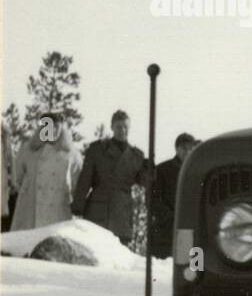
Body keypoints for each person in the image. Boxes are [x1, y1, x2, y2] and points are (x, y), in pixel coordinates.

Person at [74, 110, 146, 245]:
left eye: (126, 127)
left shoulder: (136, 156)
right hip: (98, 210)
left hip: (122, 213)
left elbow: (144, 182)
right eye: (119, 127)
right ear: (112, 127)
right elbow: (85, 180)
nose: (122, 131)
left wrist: (149, 170)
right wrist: (78, 206)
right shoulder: (97, 150)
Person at [11, 112, 82, 232]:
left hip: (58, 208)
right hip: (30, 208)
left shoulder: (72, 153)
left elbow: (77, 184)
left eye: (55, 127)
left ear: (61, 128)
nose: (51, 130)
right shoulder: (28, 149)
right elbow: (17, 177)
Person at [149, 132, 198, 259]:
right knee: (165, 271)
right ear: (176, 149)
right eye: (184, 148)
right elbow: (153, 200)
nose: (187, 152)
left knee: (195, 269)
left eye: (190, 148)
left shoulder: (198, 172)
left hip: (194, 231)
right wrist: (170, 218)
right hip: (166, 233)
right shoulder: (162, 170)